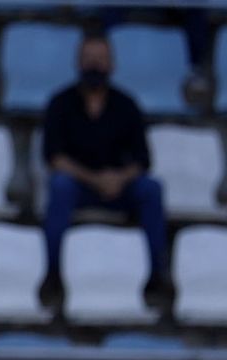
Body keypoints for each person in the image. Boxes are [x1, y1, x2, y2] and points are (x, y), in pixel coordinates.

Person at [42, 32, 168, 298]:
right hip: (80, 187)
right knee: (59, 185)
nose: (94, 65)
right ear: (78, 62)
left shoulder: (126, 105)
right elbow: (54, 157)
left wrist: (119, 178)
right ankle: (52, 276)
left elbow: (143, 159)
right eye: (88, 58)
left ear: (112, 64)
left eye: (100, 59)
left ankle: (157, 277)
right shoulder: (60, 103)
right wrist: (94, 179)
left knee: (151, 188)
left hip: (119, 189)